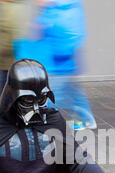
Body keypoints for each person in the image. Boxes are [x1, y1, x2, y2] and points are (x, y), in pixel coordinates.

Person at [32, 0, 96, 130]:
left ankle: (45, 125)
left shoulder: (64, 10)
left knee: (54, 95)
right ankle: (88, 120)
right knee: (74, 91)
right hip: (64, 61)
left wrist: (42, 24)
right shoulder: (62, 8)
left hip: (60, 62)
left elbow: (68, 37)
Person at [0, 0, 32, 96]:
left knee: (6, 87)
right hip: (10, 56)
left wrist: (1, 51)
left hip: (7, 57)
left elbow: (11, 31)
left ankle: (6, 107)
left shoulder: (9, 8)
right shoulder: (13, 6)